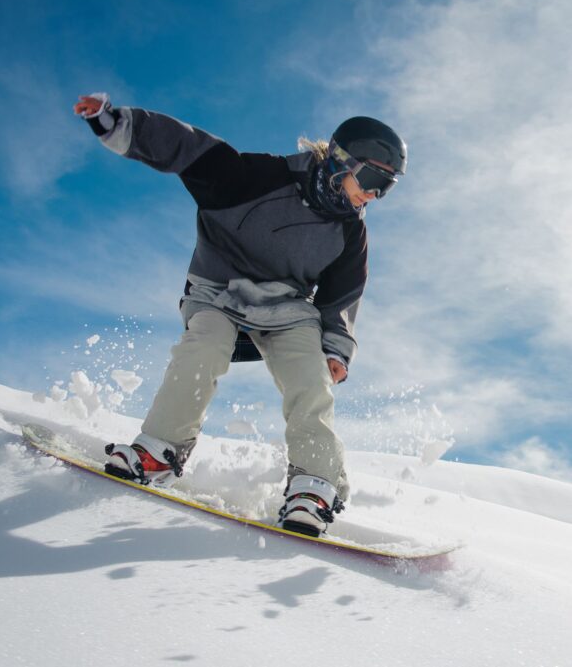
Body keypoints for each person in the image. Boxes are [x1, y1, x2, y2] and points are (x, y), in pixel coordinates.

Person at [71, 92, 406, 537]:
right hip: (217, 291)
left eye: (386, 188)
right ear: (340, 160)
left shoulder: (350, 231)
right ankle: (161, 451)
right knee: (203, 347)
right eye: (369, 179)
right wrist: (117, 123)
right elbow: (186, 148)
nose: (372, 194)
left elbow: (342, 296)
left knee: (310, 378)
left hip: (287, 309)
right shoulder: (256, 177)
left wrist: (336, 348)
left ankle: (314, 486)